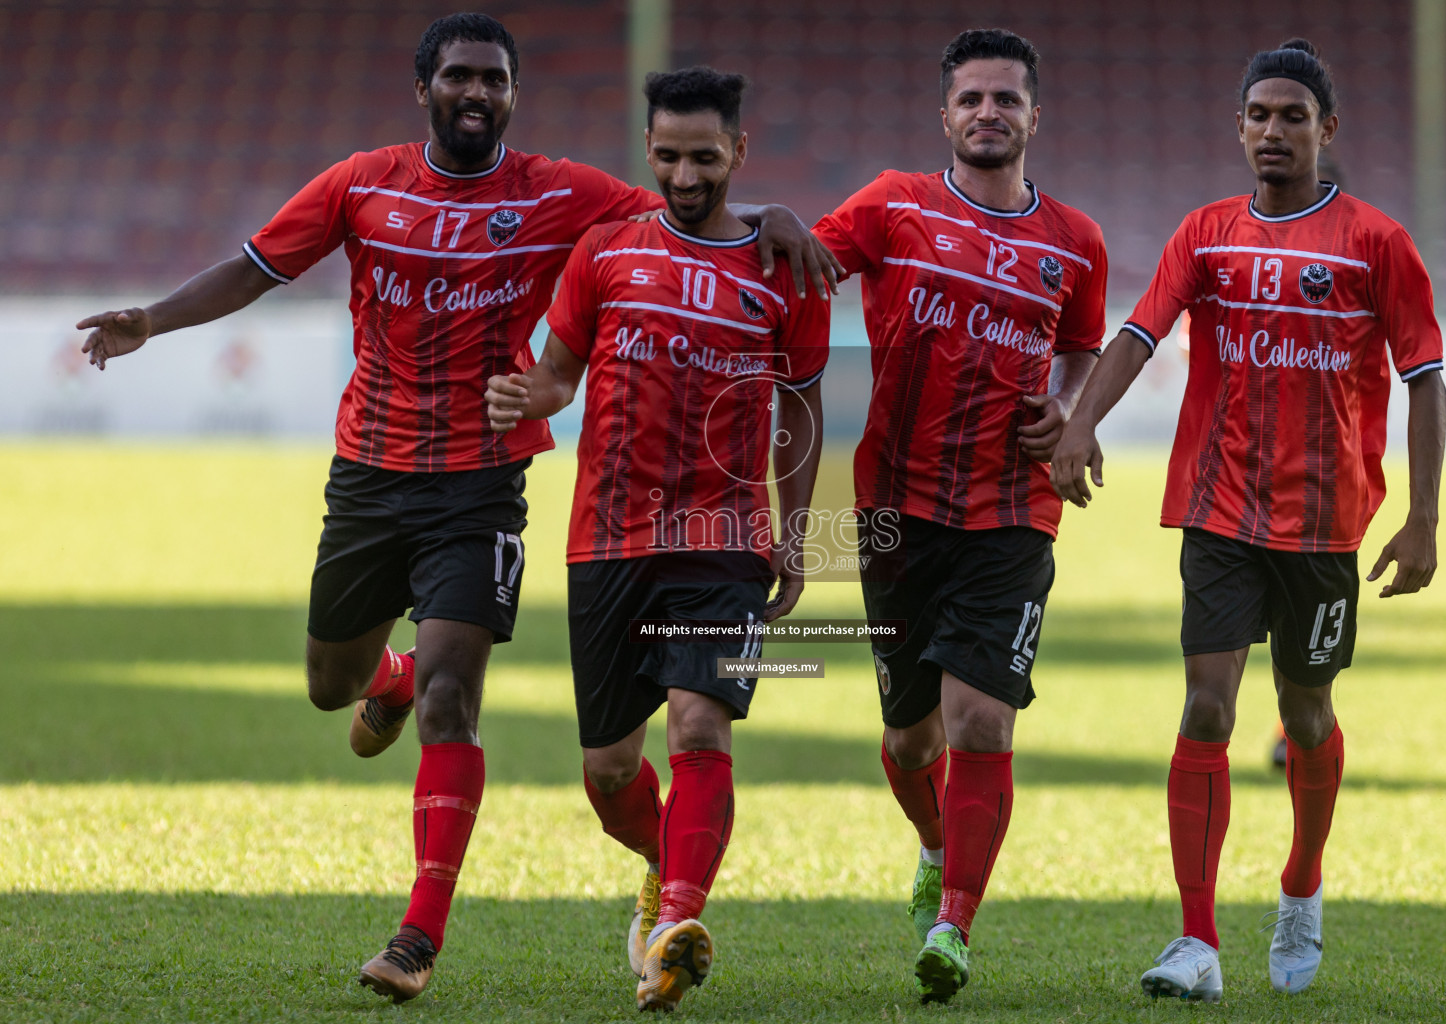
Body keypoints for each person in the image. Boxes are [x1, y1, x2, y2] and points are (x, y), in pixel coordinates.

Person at [74, 13, 837, 1005]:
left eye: (496, 80)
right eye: (461, 77)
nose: (478, 93)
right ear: (426, 87)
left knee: (454, 699)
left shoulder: (564, 194)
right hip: (368, 477)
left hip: (482, 486)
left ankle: (417, 937)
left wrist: (774, 209)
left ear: (514, 94)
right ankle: (380, 673)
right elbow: (258, 266)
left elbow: (687, 201)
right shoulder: (361, 183)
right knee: (327, 681)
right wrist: (153, 318)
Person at [1051, 39, 1446, 1003]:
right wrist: (1078, 426)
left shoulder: (1375, 241)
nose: (1274, 131)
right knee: (1207, 708)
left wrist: (1425, 518)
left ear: (1326, 130)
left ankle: (1301, 885)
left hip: (1323, 526)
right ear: (1239, 128)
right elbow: (1140, 334)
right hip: (1219, 510)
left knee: (1307, 714)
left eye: (1293, 116)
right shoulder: (1207, 233)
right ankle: (1196, 941)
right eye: (1259, 116)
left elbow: (1426, 380)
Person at [484, 66, 829, 1013]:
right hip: (608, 538)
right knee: (609, 772)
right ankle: (660, 862)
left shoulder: (784, 270)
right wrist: (528, 395)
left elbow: (802, 403)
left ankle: (678, 922)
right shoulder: (605, 253)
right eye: (670, 155)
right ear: (649, 151)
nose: (687, 174)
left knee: (700, 724)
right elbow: (560, 376)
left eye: (706, 157)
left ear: (739, 154)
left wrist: (795, 535)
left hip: (725, 538)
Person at [811, 28, 1108, 1005]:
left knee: (981, 718)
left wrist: (1071, 411)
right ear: (945, 115)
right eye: (972, 99)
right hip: (895, 511)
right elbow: (810, 264)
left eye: (1007, 99)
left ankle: (954, 927)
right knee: (908, 742)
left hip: (1012, 511)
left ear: (1034, 115)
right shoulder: (892, 203)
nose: (990, 113)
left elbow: (1079, 352)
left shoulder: (1077, 241)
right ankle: (937, 846)